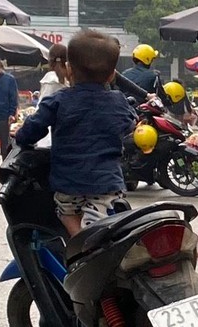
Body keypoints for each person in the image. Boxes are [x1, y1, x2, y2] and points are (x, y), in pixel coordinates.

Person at [14, 31, 135, 237]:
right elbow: (129, 123)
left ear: (69, 70)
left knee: (66, 213)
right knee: (100, 223)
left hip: (68, 182)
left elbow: (32, 129)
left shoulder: (59, 100)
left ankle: (79, 244)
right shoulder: (118, 100)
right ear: (112, 74)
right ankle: (89, 244)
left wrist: (21, 136)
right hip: (106, 183)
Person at [0, 57, 21, 157]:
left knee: (5, 142)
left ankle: (5, 166)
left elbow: (13, 97)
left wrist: (12, 113)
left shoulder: (9, 79)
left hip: (4, 115)